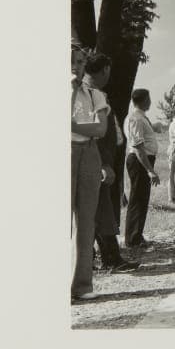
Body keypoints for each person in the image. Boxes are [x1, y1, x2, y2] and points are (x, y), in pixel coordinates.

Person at [83, 52, 139, 273]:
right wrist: (104, 164)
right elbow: (96, 133)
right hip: (94, 161)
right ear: (105, 69)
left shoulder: (90, 93)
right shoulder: (89, 95)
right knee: (97, 211)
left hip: (95, 161)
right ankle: (105, 259)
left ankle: (104, 258)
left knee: (99, 211)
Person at [71, 46, 109, 301]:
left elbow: (101, 129)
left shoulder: (95, 95)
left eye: (80, 61)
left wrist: (72, 125)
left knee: (86, 221)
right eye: (71, 61)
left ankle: (82, 285)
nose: (76, 66)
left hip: (89, 153)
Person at [124, 88, 161, 249]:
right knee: (138, 199)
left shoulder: (140, 117)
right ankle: (132, 239)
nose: (150, 102)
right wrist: (150, 170)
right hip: (139, 161)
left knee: (142, 198)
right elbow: (138, 147)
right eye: (149, 99)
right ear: (144, 100)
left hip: (143, 160)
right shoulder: (136, 118)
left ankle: (137, 236)